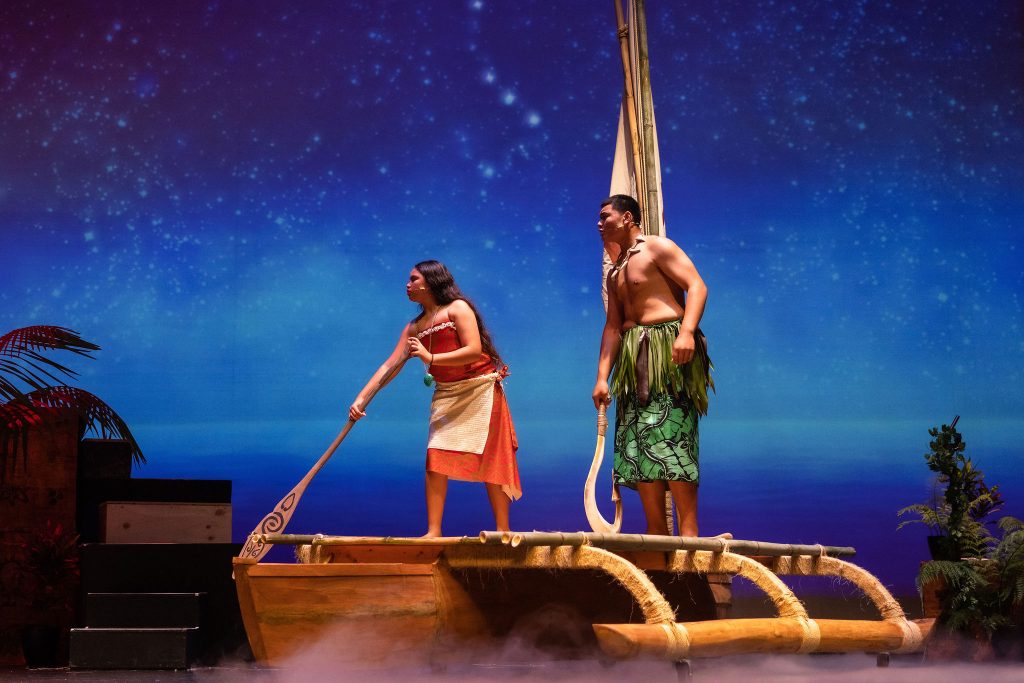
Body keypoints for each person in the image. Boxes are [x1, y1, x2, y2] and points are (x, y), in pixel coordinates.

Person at [349, 260, 521, 537]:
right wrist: (362, 399)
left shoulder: (457, 308)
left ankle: (503, 530)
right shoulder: (414, 327)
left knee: (492, 458)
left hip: (480, 390)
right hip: (447, 394)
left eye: (414, 279)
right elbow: (389, 366)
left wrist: (431, 357)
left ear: (430, 282)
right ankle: (433, 531)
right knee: (435, 456)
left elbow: (473, 349)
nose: (408, 284)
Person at [592, 195, 714, 537]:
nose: (599, 224)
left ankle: (689, 535)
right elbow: (613, 327)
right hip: (633, 360)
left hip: (667, 350)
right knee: (639, 442)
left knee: (671, 435)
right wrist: (602, 378)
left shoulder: (657, 248)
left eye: (605, 216)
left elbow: (697, 285)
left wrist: (686, 332)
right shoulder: (615, 271)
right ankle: (657, 534)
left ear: (627, 217)